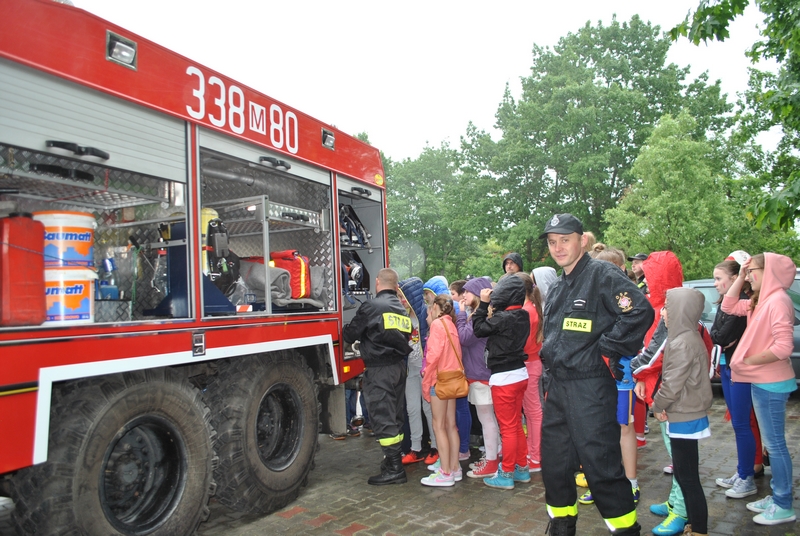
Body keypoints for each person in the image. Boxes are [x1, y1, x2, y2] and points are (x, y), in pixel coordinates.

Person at [539, 213, 653, 536]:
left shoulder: (602, 274)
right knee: (555, 467)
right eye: (552, 242)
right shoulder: (558, 286)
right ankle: (561, 527)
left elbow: (640, 311)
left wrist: (607, 348)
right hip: (557, 388)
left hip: (590, 388)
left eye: (565, 240)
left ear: (582, 240)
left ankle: (626, 530)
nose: (558, 247)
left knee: (601, 468)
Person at [722, 253, 797, 526]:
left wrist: (748, 361)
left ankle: (784, 504)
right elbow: (729, 305)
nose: (749, 275)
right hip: (761, 380)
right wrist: (741, 275)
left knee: (775, 446)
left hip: (770, 382)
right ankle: (777, 495)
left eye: (752, 270)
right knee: (773, 443)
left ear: (770, 272)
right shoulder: (761, 300)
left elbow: (783, 347)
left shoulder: (777, 301)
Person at [578, 244, 641, 509]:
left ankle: (631, 482)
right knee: (600, 429)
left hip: (621, 371)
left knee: (624, 427)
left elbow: (634, 330)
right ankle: (602, 482)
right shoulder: (592, 294)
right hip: (596, 374)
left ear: (621, 269)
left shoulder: (629, 298)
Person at [650, 288, 713, 536]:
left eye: (667, 307)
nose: (663, 312)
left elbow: (672, 385)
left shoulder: (681, 342)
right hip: (687, 413)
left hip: (685, 415)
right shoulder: (686, 337)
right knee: (686, 475)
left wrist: (657, 405)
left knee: (687, 478)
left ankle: (699, 529)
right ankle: (696, 525)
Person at [343, 268, 412, 485]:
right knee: (395, 416)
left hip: (380, 370)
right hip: (398, 368)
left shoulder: (372, 306)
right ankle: (393, 461)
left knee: (383, 416)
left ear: (377, 282)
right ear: (396, 286)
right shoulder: (401, 309)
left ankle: (395, 469)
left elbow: (350, 334)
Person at [711, 255, 765, 499]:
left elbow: (720, 337)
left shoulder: (744, 302)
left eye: (718, 278)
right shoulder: (728, 302)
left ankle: (747, 476)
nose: (715, 283)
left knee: (743, 423)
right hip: (728, 365)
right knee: (739, 423)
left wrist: (719, 337)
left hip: (740, 369)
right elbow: (715, 333)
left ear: (735, 278)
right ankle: (743, 471)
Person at [472, 274, 531, 490]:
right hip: (520, 374)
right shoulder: (522, 315)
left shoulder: (504, 318)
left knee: (507, 428)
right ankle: (521, 468)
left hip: (504, 378)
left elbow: (479, 329)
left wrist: (483, 304)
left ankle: (506, 473)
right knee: (515, 425)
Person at [457, 276, 501, 478]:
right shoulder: (483, 314)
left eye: (467, 291)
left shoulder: (479, 316)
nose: (463, 295)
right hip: (481, 373)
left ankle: (491, 462)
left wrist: (461, 314)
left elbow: (464, 338)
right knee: (489, 419)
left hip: (481, 375)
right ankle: (494, 456)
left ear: (477, 294)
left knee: (487, 419)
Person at [420, 294, 464, 486]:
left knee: (438, 426)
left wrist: (426, 381)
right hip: (452, 380)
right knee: (450, 425)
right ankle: (454, 467)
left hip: (439, 381)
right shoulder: (450, 324)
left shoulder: (437, 325)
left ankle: (445, 473)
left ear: (434, 308)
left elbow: (433, 357)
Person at [398, 277, 436, 465]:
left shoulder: (427, 314)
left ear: (411, 296)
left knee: (429, 409)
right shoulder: (402, 316)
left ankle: (435, 447)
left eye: (403, 296)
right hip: (411, 370)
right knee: (412, 409)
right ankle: (415, 448)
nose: (401, 300)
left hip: (426, 369)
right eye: (399, 296)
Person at [515, 272, 544, 473]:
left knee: (533, 411)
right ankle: (534, 452)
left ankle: (536, 456)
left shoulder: (527, 311)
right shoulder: (531, 308)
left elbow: (524, 343)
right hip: (531, 363)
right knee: (531, 411)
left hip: (529, 364)